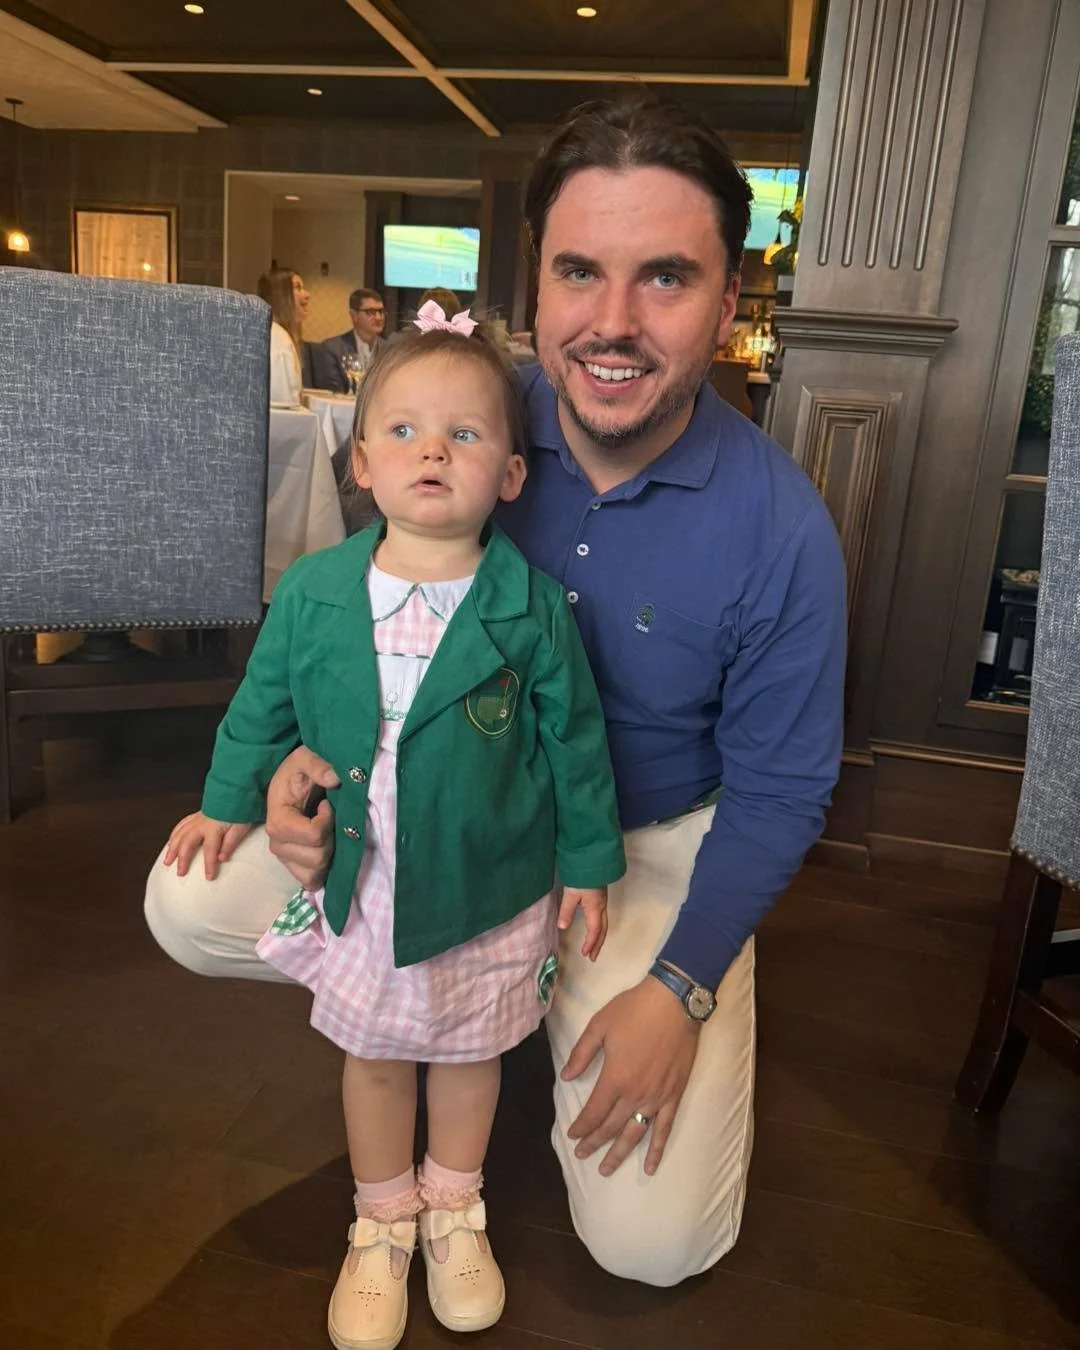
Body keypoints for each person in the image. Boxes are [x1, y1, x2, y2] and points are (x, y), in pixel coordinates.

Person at [146, 92, 846, 1289]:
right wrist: (296, 768)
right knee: (188, 900)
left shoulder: (782, 529)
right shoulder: (458, 421)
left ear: (730, 301)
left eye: (667, 278)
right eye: (581, 272)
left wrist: (680, 988)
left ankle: (582, 998)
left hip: (637, 854)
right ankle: (448, 1007)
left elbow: (782, 792)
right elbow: (340, 617)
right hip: (430, 810)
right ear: (537, 289)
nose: (612, 324)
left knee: (653, 1251)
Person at [153, 315, 626, 1350]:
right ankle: (381, 1221)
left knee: (467, 1052)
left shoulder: (531, 608)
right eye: (404, 431)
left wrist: (589, 861)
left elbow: (578, 744)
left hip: (487, 879)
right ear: (360, 463)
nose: (431, 452)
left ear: (509, 473)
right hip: (365, 880)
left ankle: (455, 1206)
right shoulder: (318, 592)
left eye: (464, 435)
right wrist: (226, 799)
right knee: (372, 1055)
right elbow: (261, 704)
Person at [257, 266, 339, 403]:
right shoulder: (278, 340)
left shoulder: (275, 334)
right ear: (280, 295)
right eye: (298, 288)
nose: (307, 295)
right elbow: (282, 404)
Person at [323, 287, 387, 389]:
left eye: (381, 311)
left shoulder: (390, 350)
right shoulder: (333, 349)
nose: (379, 318)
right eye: (371, 312)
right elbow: (334, 392)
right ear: (354, 316)